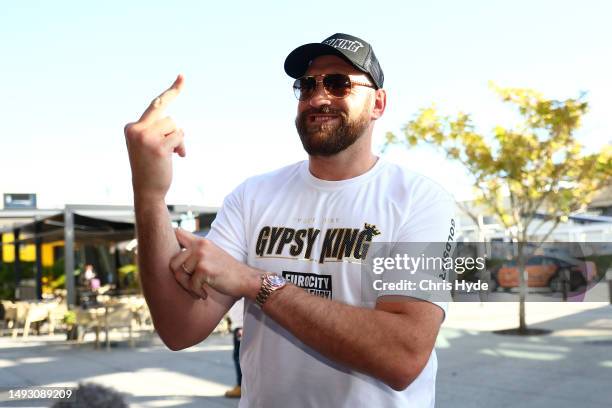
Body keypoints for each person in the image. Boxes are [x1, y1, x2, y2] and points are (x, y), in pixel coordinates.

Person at [124, 33, 455, 407]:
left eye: (338, 83)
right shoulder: (253, 196)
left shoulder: (421, 200)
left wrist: (254, 282)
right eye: (306, 85)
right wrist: (149, 194)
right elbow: (178, 328)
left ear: (378, 103)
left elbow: (403, 356)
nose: (317, 97)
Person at [225, 297, 244, 398]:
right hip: (239, 325)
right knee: (239, 356)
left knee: (239, 357)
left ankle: (241, 386)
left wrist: (242, 326)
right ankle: (242, 386)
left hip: (241, 326)